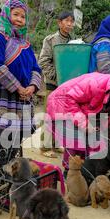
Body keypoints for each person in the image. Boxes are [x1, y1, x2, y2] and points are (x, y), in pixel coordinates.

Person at [0, 0, 42, 160]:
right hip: (3, 96)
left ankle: (11, 177)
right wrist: (18, 87)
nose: (20, 20)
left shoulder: (26, 44)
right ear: (6, 14)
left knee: (15, 144)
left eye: (23, 17)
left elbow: (36, 68)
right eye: (16, 14)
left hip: (22, 99)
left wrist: (32, 87)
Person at [38, 11, 75, 158]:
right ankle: (45, 147)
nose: (70, 24)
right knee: (49, 115)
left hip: (67, 86)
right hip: (53, 85)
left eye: (72, 21)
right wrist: (56, 76)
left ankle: (55, 143)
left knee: (61, 116)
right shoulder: (51, 40)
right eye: (67, 21)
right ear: (59, 23)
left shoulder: (74, 42)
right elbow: (43, 61)